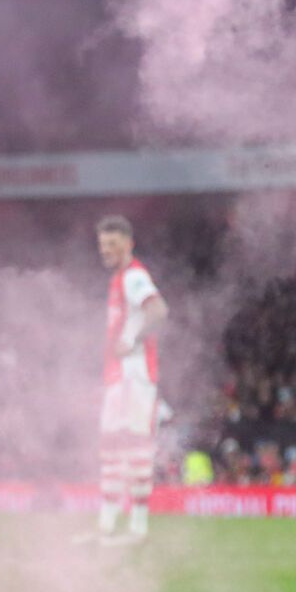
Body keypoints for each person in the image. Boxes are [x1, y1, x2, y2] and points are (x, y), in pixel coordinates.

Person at [91, 216, 168, 545]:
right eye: (102, 245)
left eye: (112, 244)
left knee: (134, 445)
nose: (106, 251)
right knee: (113, 445)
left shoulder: (134, 276)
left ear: (128, 243)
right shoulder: (119, 279)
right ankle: (109, 524)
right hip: (121, 375)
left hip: (134, 375)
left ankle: (136, 526)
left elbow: (159, 310)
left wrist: (132, 339)